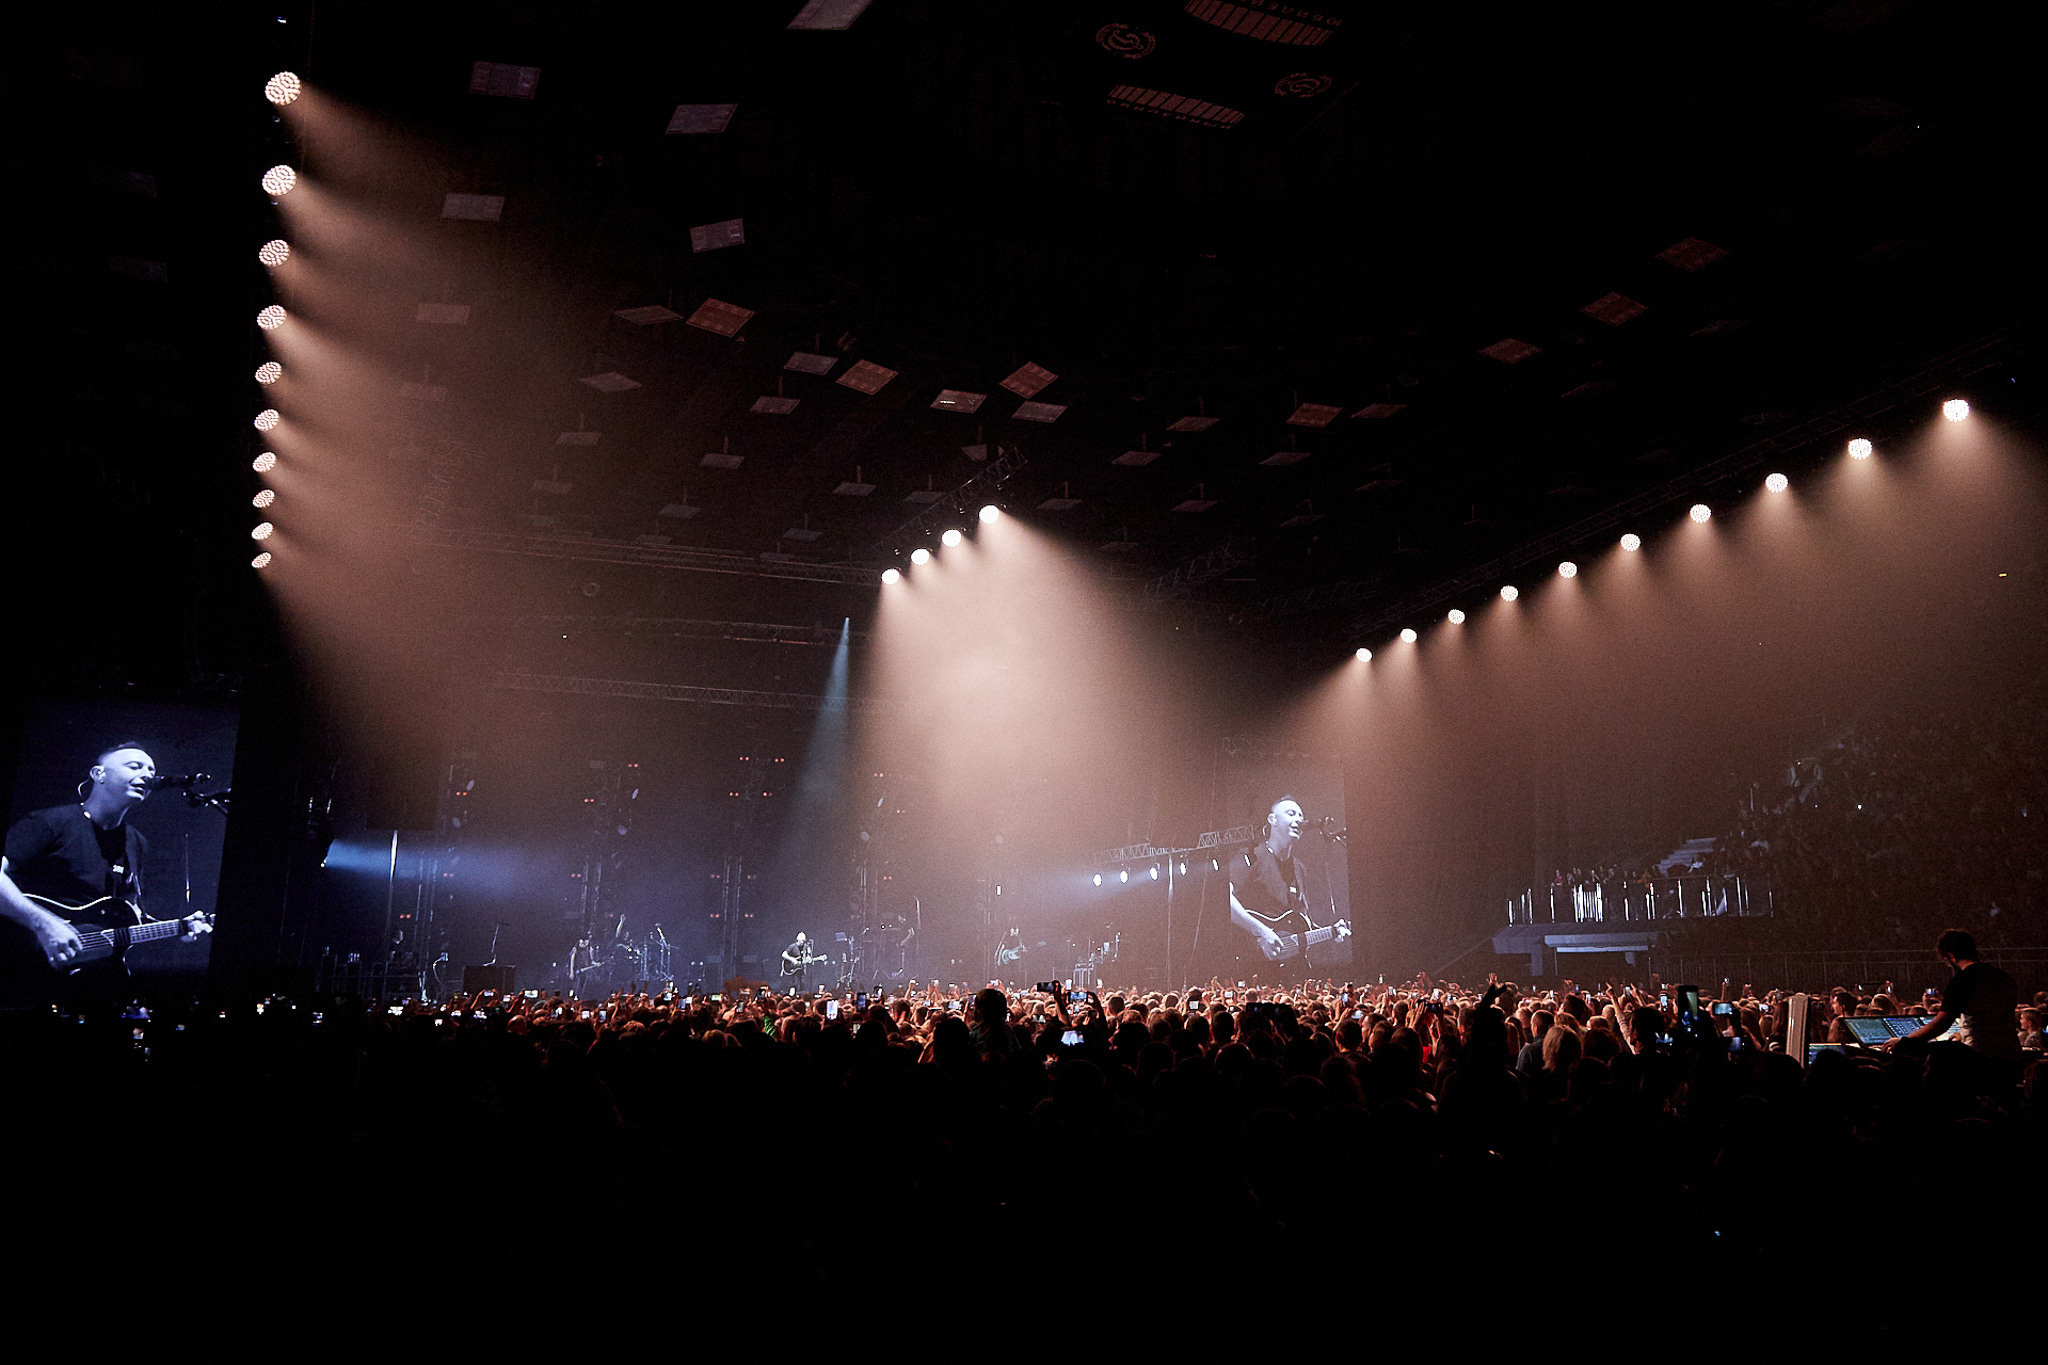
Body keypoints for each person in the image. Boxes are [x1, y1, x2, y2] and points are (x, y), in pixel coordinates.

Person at [0, 741, 204, 1009]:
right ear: (99, 775)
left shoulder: (135, 842)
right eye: (135, 766)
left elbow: (129, 915)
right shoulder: (50, 823)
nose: (147, 775)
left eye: (151, 770)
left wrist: (179, 927)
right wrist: (45, 925)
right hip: (21, 970)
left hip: (85, 989)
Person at [1229, 796, 1349, 968]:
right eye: (1291, 813)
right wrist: (1261, 931)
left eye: (1301, 816)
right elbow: (1224, 899)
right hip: (1252, 964)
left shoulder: (1299, 868)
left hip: (1291, 968)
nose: (1299, 820)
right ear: (1272, 820)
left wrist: (1331, 931)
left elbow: (1300, 921)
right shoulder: (1252, 856)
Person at [1885, 930, 2021, 1080]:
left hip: (1980, 1059)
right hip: (2011, 1055)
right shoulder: (2002, 977)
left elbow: (1942, 1023)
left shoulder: (1963, 980)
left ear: (1951, 956)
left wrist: (1905, 1041)